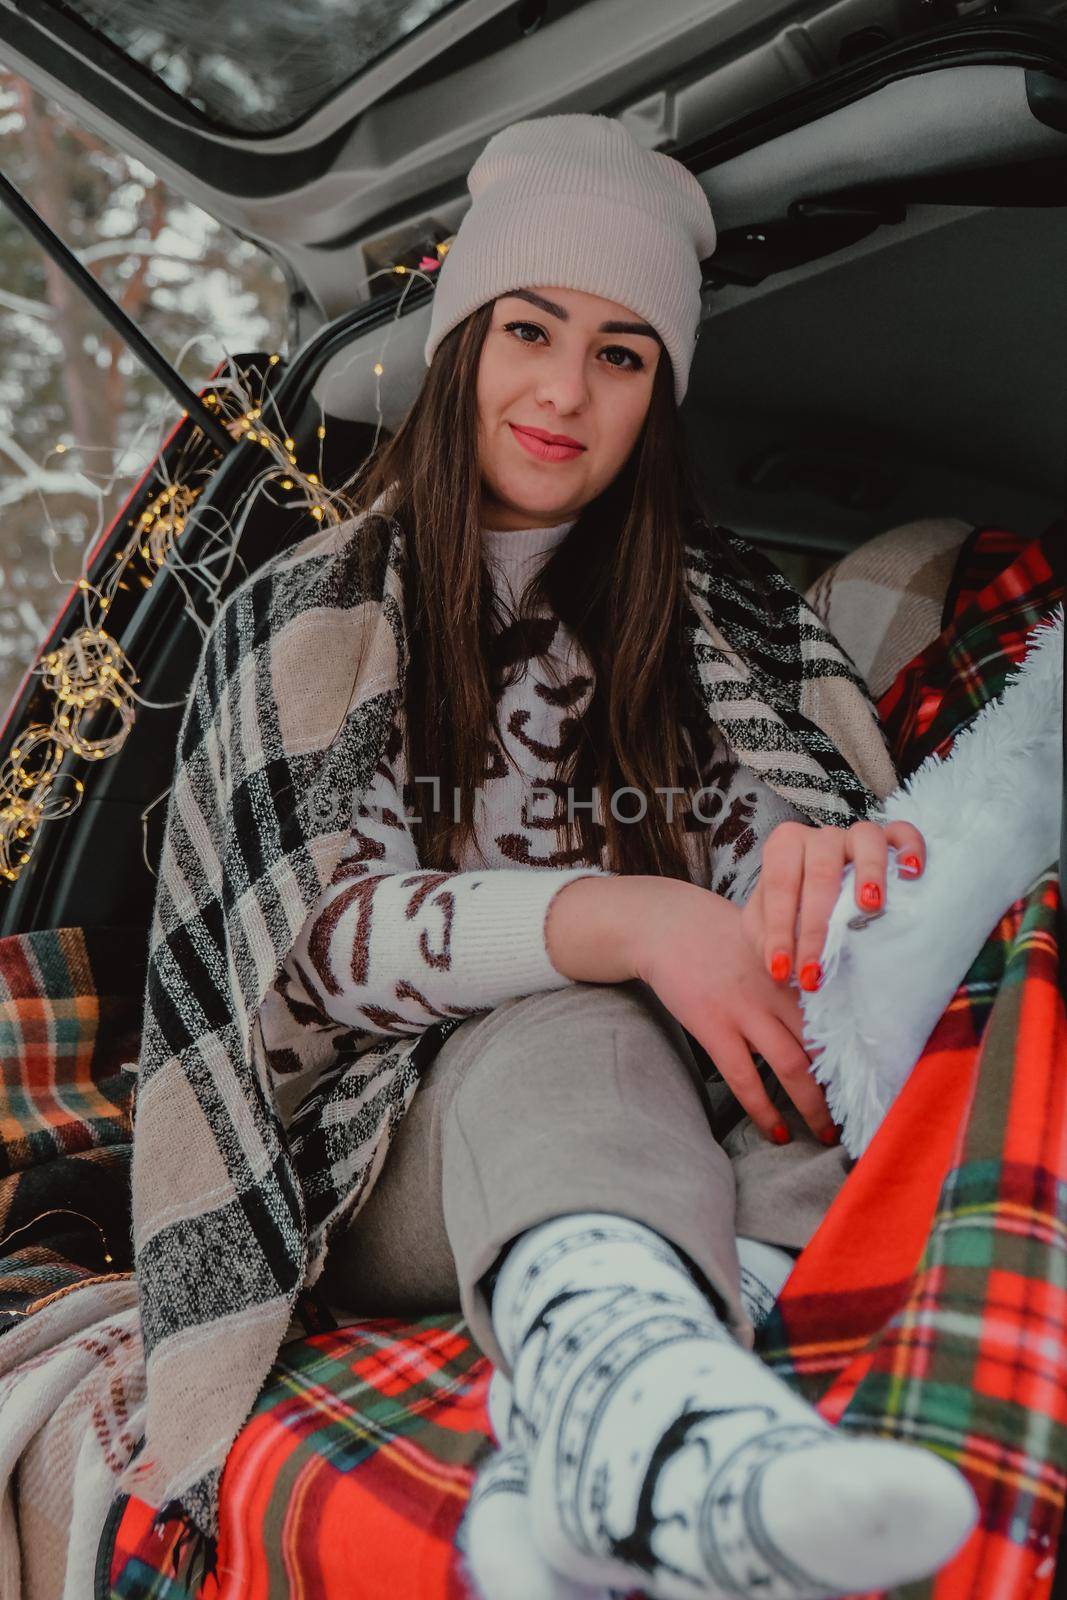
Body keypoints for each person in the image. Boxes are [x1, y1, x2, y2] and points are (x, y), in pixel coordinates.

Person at [261, 114, 978, 1600]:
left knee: (818, 1048)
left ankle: (644, 1454)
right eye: (531, 329)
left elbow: (779, 846)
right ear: (466, 336)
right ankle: (628, 1417)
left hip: (661, 1117)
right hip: (391, 1152)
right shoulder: (313, 608)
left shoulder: (726, 622)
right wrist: (614, 917)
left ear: (659, 395)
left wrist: (810, 882)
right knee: (576, 1023)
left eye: (622, 353)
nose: (564, 391)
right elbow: (305, 946)